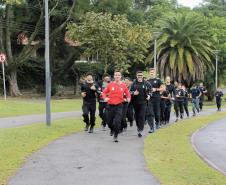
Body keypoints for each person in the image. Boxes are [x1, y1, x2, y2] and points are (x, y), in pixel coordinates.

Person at [102, 71, 131, 142]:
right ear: (114, 76)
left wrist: (128, 98)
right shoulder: (110, 84)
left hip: (119, 105)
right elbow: (104, 93)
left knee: (118, 121)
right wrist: (105, 98)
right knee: (109, 122)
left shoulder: (123, 85)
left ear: (121, 77)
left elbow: (128, 93)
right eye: (116, 75)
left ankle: (116, 135)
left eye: (118, 75)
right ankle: (111, 129)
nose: (117, 76)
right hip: (110, 106)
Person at [130, 71, 151, 137]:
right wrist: (133, 93)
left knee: (141, 116)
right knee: (136, 116)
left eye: (141, 75)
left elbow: (150, 90)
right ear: (136, 76)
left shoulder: (146, 83)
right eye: (138, 75)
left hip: (143, 102)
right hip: (135, 103)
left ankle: (140, 130)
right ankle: (138, 126)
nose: (140, 76)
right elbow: (130, 91)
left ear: (142, 76)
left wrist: (149, 95)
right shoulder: (134, 83)